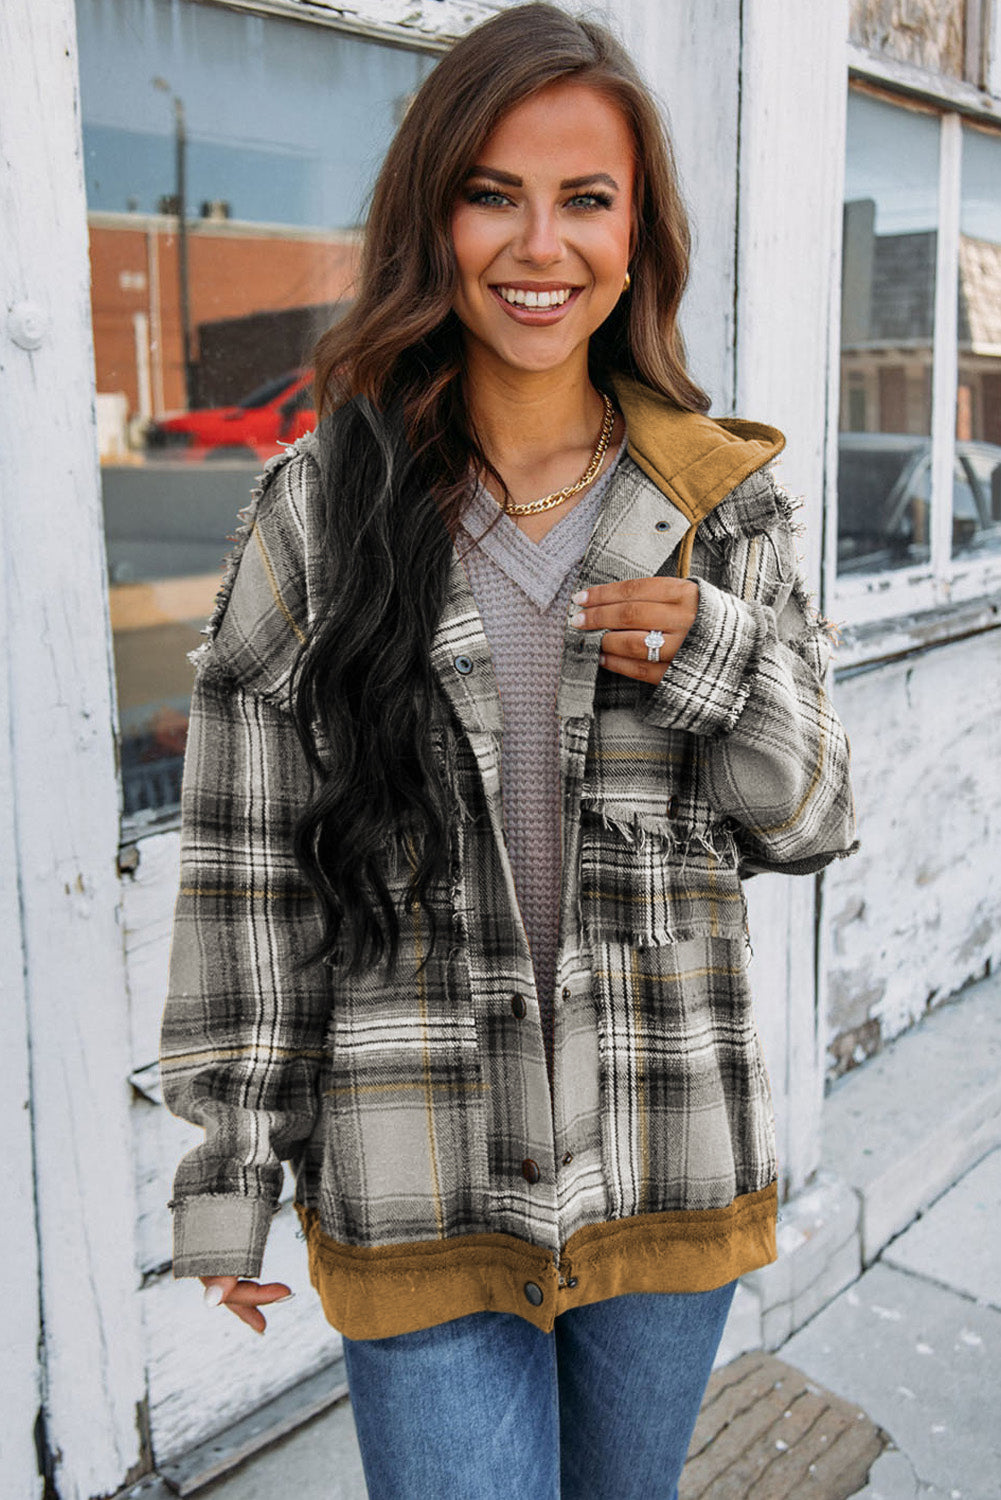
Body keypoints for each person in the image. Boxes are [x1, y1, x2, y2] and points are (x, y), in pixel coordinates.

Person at [158, 5, 859, 1496]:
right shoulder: (321, 504)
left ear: (636, 234)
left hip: (666, 1149)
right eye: (492, 194)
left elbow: (809, 818)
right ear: (434, 218)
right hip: (417, 1167)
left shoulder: (715, 500)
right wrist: (229, 1181)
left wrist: (717, 658)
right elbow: (242, 865)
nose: (538, 246)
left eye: (584, 200)